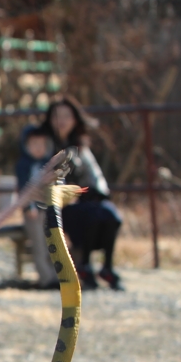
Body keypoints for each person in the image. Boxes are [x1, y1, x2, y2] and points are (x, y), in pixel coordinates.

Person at [44, 97, 122, 290]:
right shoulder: (45, 145)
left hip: (85, 200)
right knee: (92, 215)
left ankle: (107, 266)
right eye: (57, 116)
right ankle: (85, 264)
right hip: (59, 206)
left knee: (111, 214)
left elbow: (96, 178)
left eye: (66, 116)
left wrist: (94, 194)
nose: (61, 120)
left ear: (75, 120)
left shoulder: (80, 147)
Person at [16, 125, 60, 288]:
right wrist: (28, 207)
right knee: (39, 245)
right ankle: (45, 278)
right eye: (34, 144)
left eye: (42, 144)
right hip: (33, 211)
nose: (38, 148)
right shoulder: (24, 165)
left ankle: (56, 276)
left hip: (49, 210)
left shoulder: (49, 164)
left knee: (52, 245)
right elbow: (23, 188)